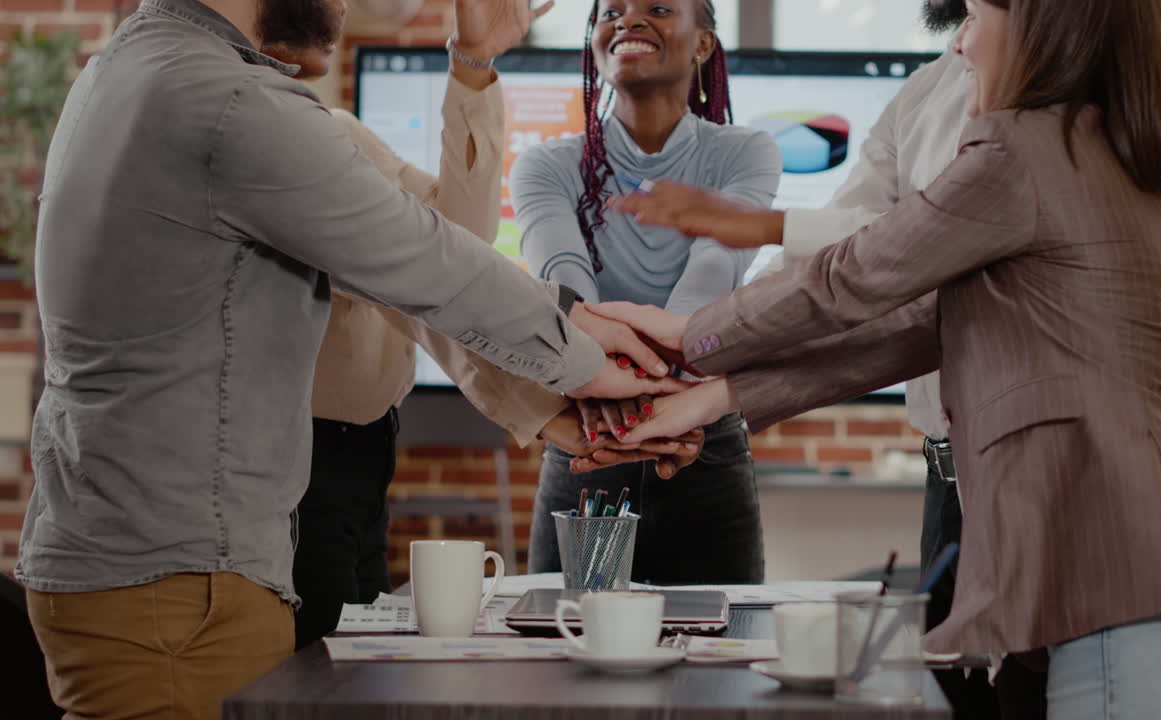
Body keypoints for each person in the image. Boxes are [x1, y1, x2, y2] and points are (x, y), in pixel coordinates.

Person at [593, 0, 1161, 717]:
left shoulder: (1021, 149)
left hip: (1142, 614)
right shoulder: (1096, 152)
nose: (961, 48)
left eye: (976, 18)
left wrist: (691, 336)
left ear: (1044, 30)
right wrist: (718, 392)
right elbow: (921, 326)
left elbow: (854, 275)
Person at [16, 0, 692, 716]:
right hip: (181, 589)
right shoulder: (229, 102)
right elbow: (419, 259)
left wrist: (558, 389)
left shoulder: (127, 70)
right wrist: (579, 341)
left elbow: (418, 264)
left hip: (128, 566)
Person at [259, 2, 704, 651]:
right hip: (302, 469)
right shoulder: (276, 141)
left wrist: (473, 67)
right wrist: (568, 371)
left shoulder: (337, 132)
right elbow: (424, 281)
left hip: (362, 462)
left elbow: (449, 248)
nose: (345, 7)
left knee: (348, 672)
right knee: (311, 677)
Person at [510, 0, 782, 585]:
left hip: (701, 441)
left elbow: (713, 272)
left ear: (704, 43)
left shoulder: (744, 152)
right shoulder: (545, 164)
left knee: (719, 654)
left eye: (657, 7)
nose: (627, 21)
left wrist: (641, 388)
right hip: (592, 438)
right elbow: (564, 285)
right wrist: (623, 387)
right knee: (568, 647)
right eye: (611, 11)